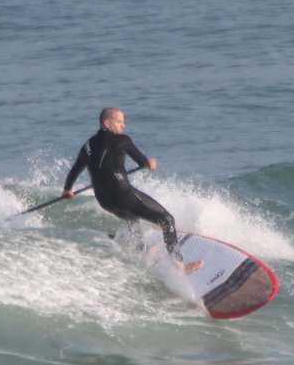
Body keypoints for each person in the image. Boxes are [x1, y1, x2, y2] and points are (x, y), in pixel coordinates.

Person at [62, 108, 202, 272]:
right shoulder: (122, 140)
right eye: (119, 122)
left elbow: (74, 171)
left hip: (104, 201)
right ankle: (180, 265)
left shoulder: (87, 146)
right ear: (106, 123)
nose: (123, 125)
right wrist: (149, 163)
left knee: (133, 218)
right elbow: (142, 162)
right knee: (167, 219)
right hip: (122, 195)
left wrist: (67, 190)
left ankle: (141, 251)